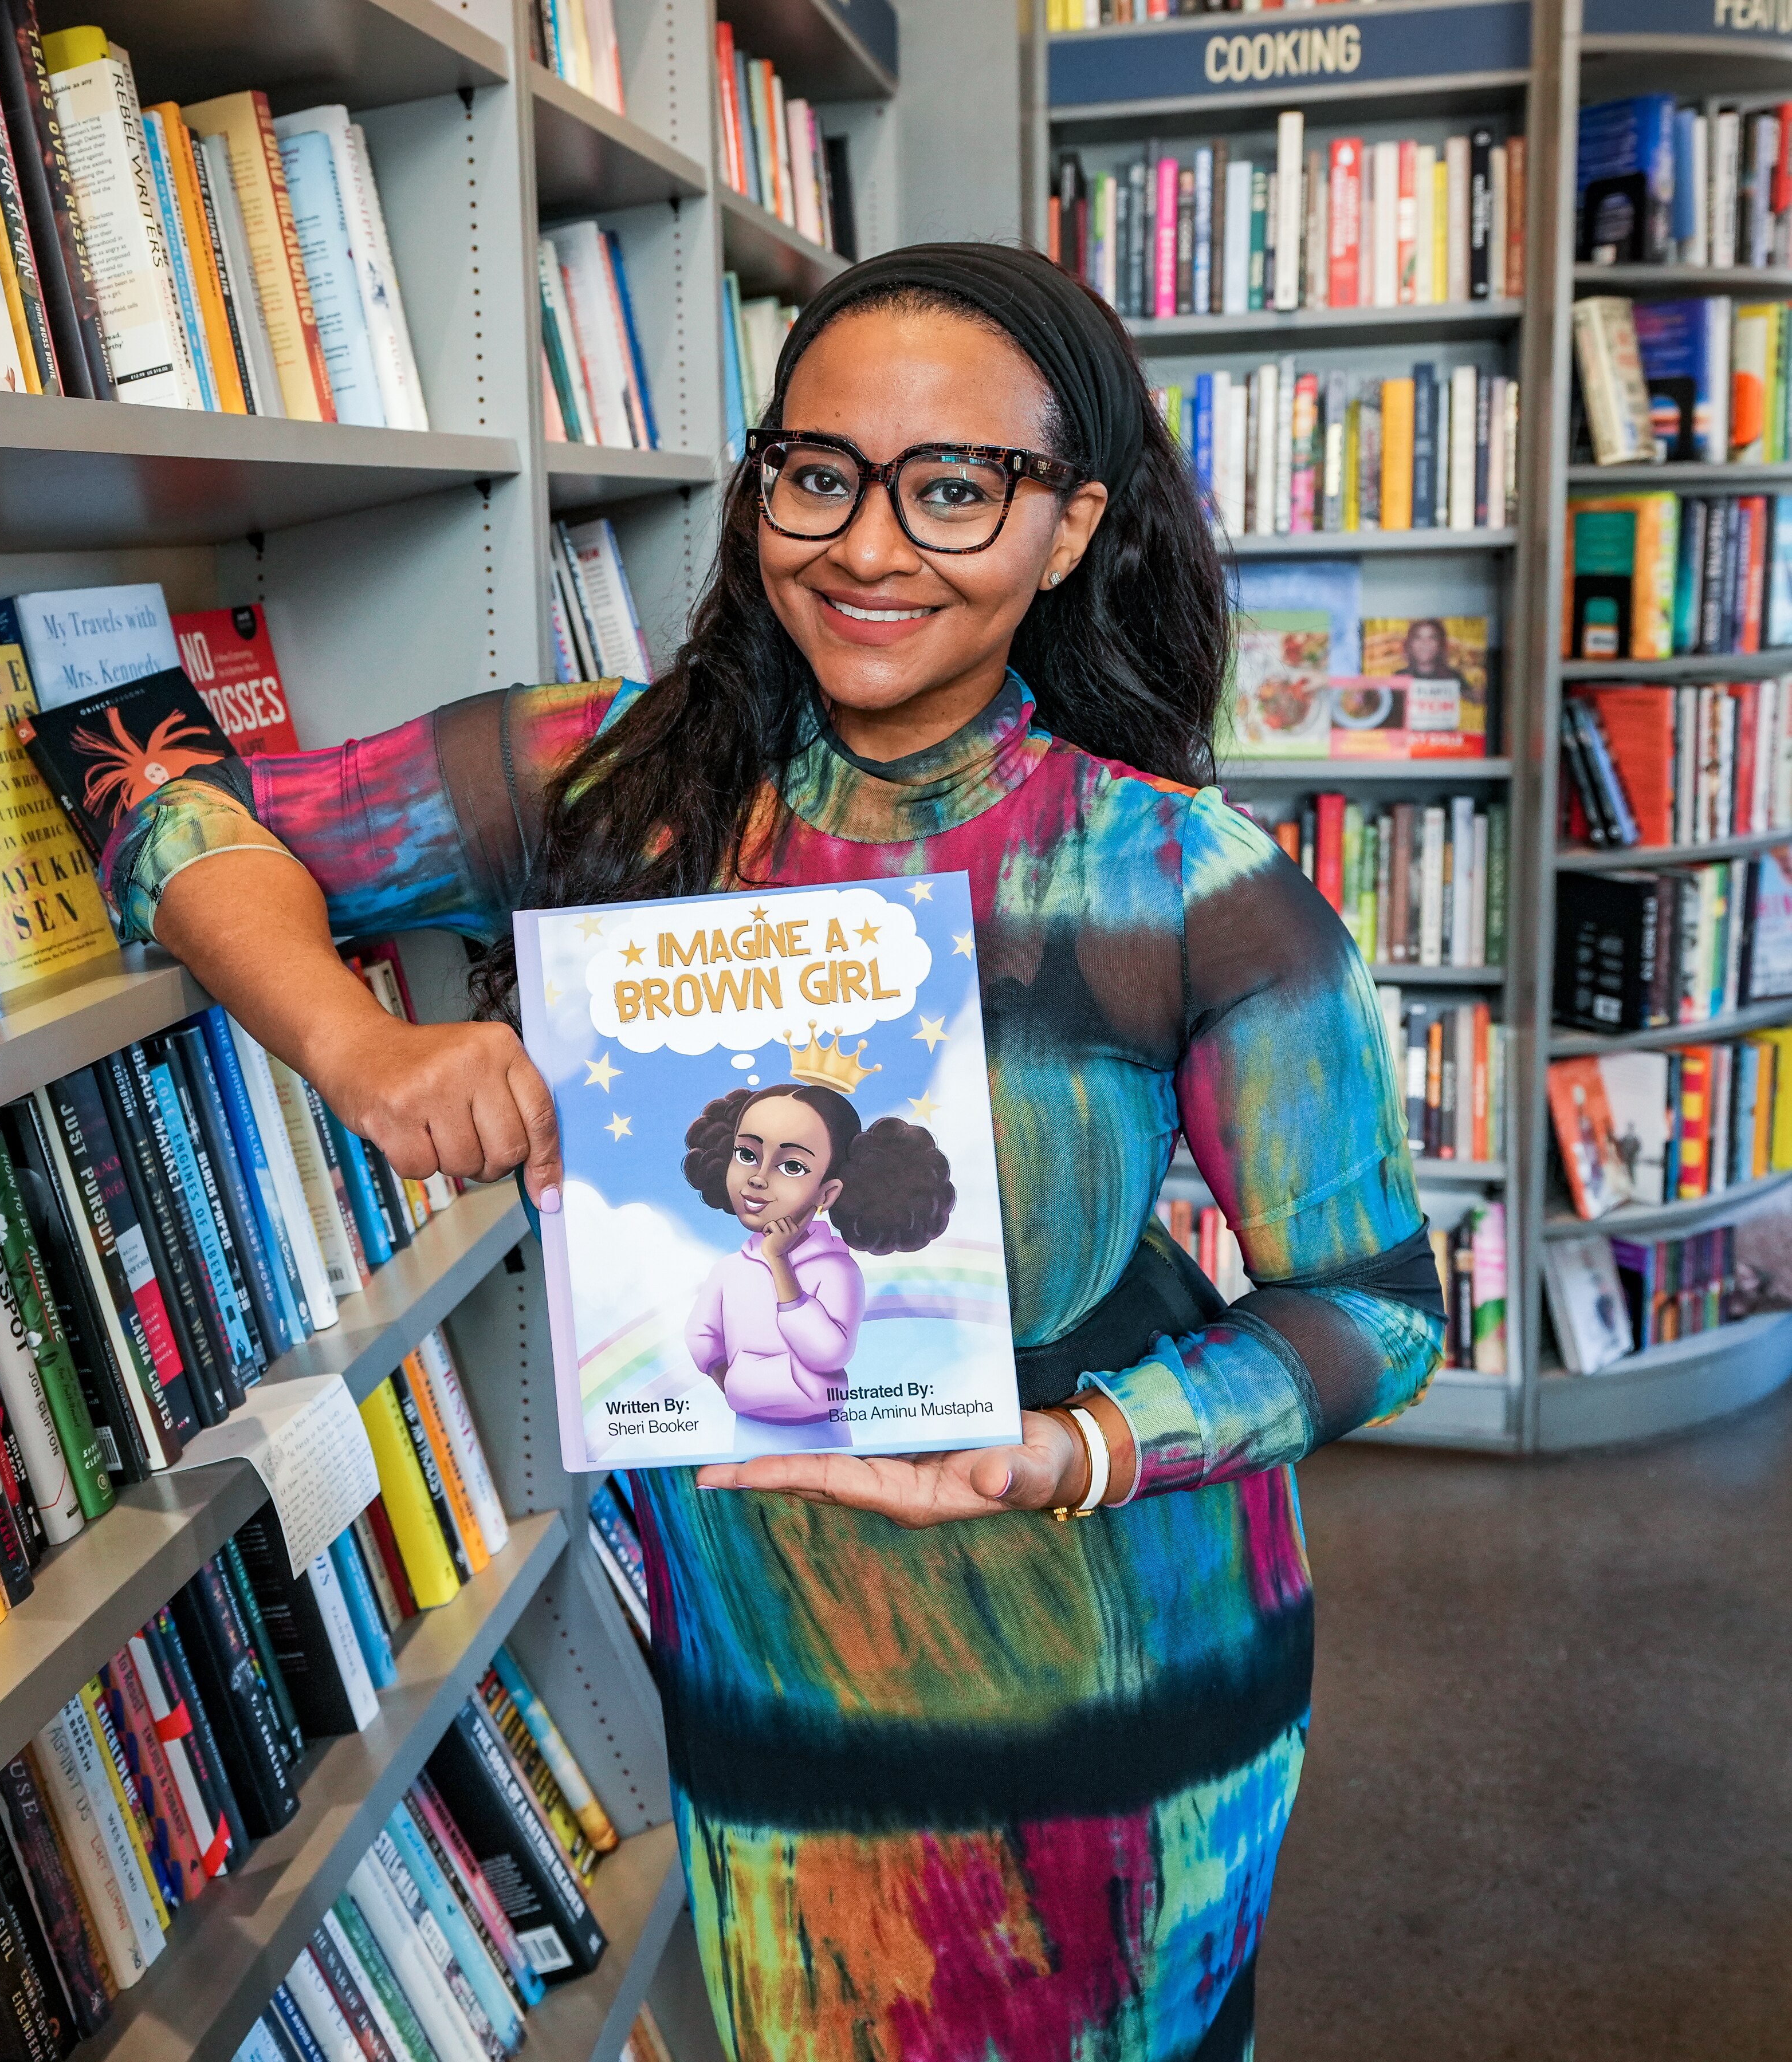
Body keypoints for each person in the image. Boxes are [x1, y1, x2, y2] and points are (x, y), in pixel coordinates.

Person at [105, 243, 1443, 2060]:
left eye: (954, 489)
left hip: (1128, 1695)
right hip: (779, 1700)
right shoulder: (632, 782)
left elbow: (1374, 1312)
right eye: (818, 474)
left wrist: (1073, 1447)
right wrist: (359, 1041)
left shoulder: (1186, 880)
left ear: (1070, 528)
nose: (870, 549)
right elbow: (161, 804)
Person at [679, 1081, 954, 1429]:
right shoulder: (729, 1269)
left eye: (792, 1166)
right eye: (747, 1155)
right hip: (746, 1423)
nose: (758, 1179)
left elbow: (829, 1353)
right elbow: (701, 1335)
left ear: (828, 1191)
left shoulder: (837, 1270)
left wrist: (779, 1263)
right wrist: (733, 1384)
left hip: (821, 1425)